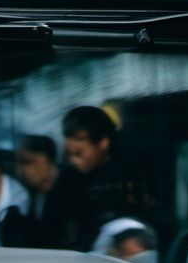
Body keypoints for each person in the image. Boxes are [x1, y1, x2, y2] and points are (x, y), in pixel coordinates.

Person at [60, 106, 157, 250]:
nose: (75, 161)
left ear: (104, 142)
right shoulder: (70, 179)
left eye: (79, 152)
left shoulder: (125, 181)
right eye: (71, 155)